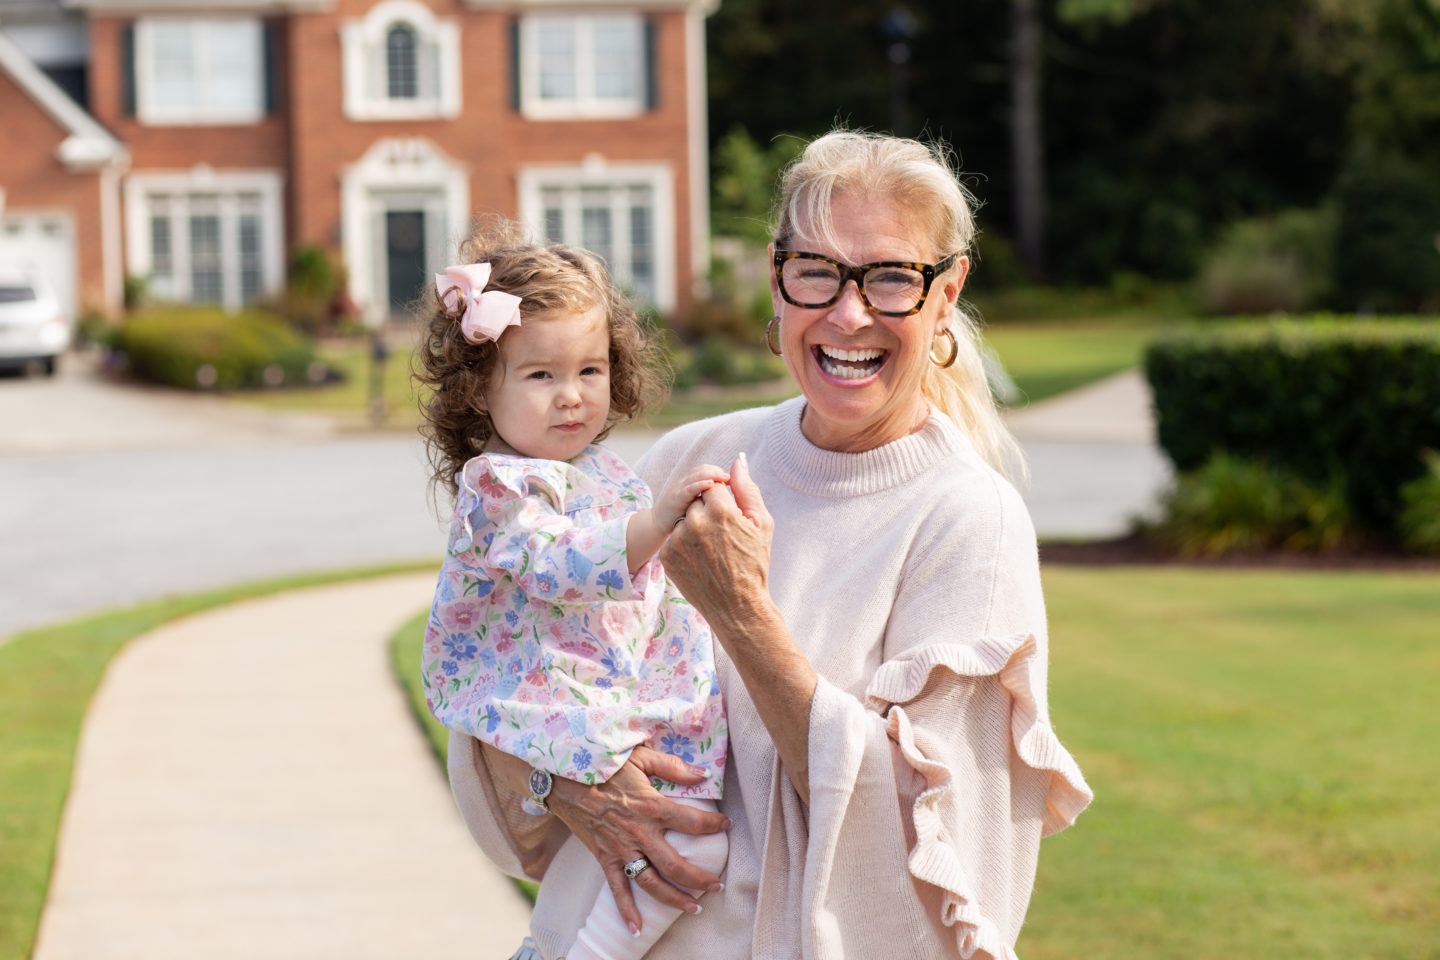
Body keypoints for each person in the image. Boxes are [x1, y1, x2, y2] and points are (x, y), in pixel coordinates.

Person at [448, 130, 1093, 960]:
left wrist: (743, 614)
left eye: (892, 277)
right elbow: (508, 669)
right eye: (816, 272)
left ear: (946, 291)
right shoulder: (690, 460)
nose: (848, 312)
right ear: (778, 280)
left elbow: (937, 868)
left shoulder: (968, 521)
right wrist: (563, 779)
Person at [416, 220, 730, 960]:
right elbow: (560, 562)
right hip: (547, 706)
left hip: (614, 704)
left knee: (609, 856)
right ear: (478, 392)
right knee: (697, 849)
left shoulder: (601, 472)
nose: (572, 397)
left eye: (590, 371)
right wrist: (655, 522)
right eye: (540, 375)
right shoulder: (500, 486)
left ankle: (549, 949)